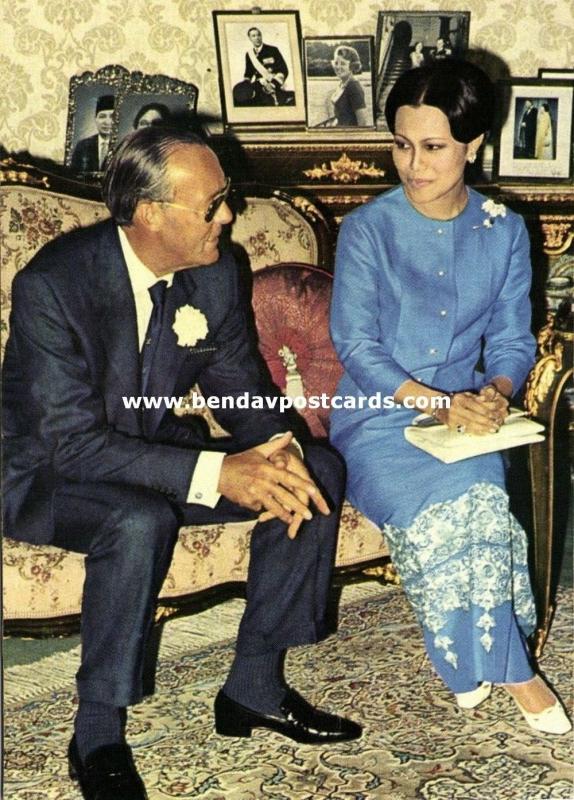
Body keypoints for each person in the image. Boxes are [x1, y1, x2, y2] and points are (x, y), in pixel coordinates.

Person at [3, 127, 361, 799]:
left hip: (150, 451)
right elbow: (70, 443)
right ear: (148, 213)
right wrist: (219, 474)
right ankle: (97, 734)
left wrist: (276, 450)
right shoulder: (54, 285)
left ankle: (254, 686)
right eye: (213, 204)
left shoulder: (217, 270)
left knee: (315, 471)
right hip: (46, 475)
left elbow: (238, 386)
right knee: (136, 520)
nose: (230, 216)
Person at [329, 61, 571, 736]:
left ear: (474, 145)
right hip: (377, 421)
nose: (412, 163)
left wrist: (493, 394)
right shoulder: (368, 230)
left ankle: (483, 661)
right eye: (401, 144)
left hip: (468, 421)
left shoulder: (504, 230)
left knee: (485, 500)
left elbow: (513, 341)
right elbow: (356, 347)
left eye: (432, 147)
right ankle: (517, 672)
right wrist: (440, 404)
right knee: (450, 510)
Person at [232, 26, 294, 106]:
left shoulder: (273, 50)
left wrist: (273, 84)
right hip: (258, 85)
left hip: (273, 85)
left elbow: (283, 70)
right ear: (250, 38)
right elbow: (248, 73)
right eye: (253, 36)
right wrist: (246, 85)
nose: (257, 38)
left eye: (258, 35)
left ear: (261, 36)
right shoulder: (249, 54)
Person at [323, 45, 369, 127]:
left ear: (352, 66)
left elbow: (362, 123)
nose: (338, 67)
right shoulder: (342, 83)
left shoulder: (354, 87)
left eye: (343, 63)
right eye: (336, 63)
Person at [70, 94, 115, 173]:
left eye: (111, 116)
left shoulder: (122, 146)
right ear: (95, 119)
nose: (107, 122)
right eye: (102, 116)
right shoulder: (83, 145)